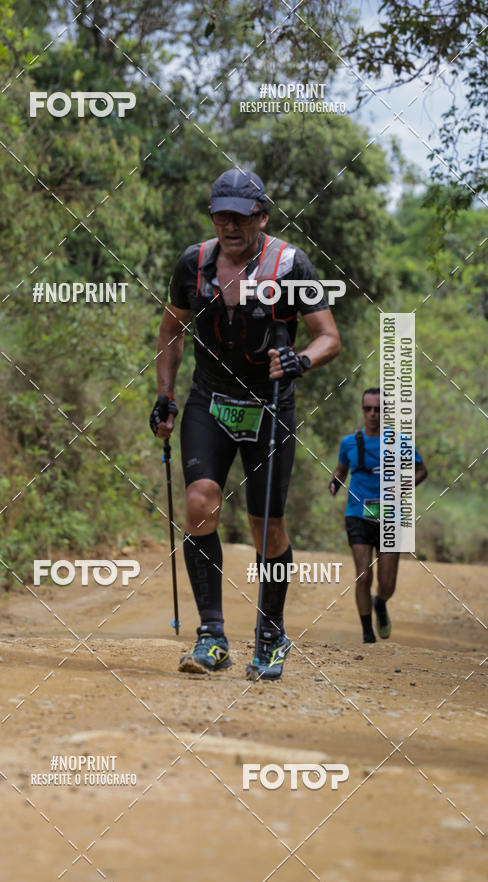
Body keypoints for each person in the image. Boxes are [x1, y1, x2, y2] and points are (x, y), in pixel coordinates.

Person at [150, 168, 340, 679]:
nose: (230, 225)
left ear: (262, 216)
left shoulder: (289, 266)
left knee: (266, 526)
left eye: (241, 215)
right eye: (221, 215)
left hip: (271, 405)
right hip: (209, 400)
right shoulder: (194, 264)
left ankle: (271, 635)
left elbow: (328, 338)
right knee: (199, 502)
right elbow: (172, 331)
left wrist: (302, 360)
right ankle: (211, 636)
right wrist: (165, 395)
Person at [329, 387, 428, 643]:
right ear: (362, 410)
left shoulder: (401, 441)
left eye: (378, 409)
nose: (373, 414)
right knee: (363, 575)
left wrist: (401, 487)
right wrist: (335, 482)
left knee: (387, 583)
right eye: (368, 409)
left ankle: (380, 603)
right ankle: (367, 633)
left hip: (389, 516)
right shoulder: (349, 442)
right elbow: (341, 469)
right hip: (358, 513)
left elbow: (421, 470)